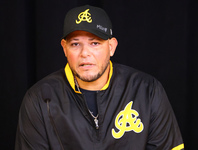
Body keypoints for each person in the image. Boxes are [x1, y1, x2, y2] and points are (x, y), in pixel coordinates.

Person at [15, 5, 184, 150]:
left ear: (111, 47)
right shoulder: (39, 99)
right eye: (75, 44)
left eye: (94, 43)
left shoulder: (147, 91)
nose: (85, 53)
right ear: (64, 48)